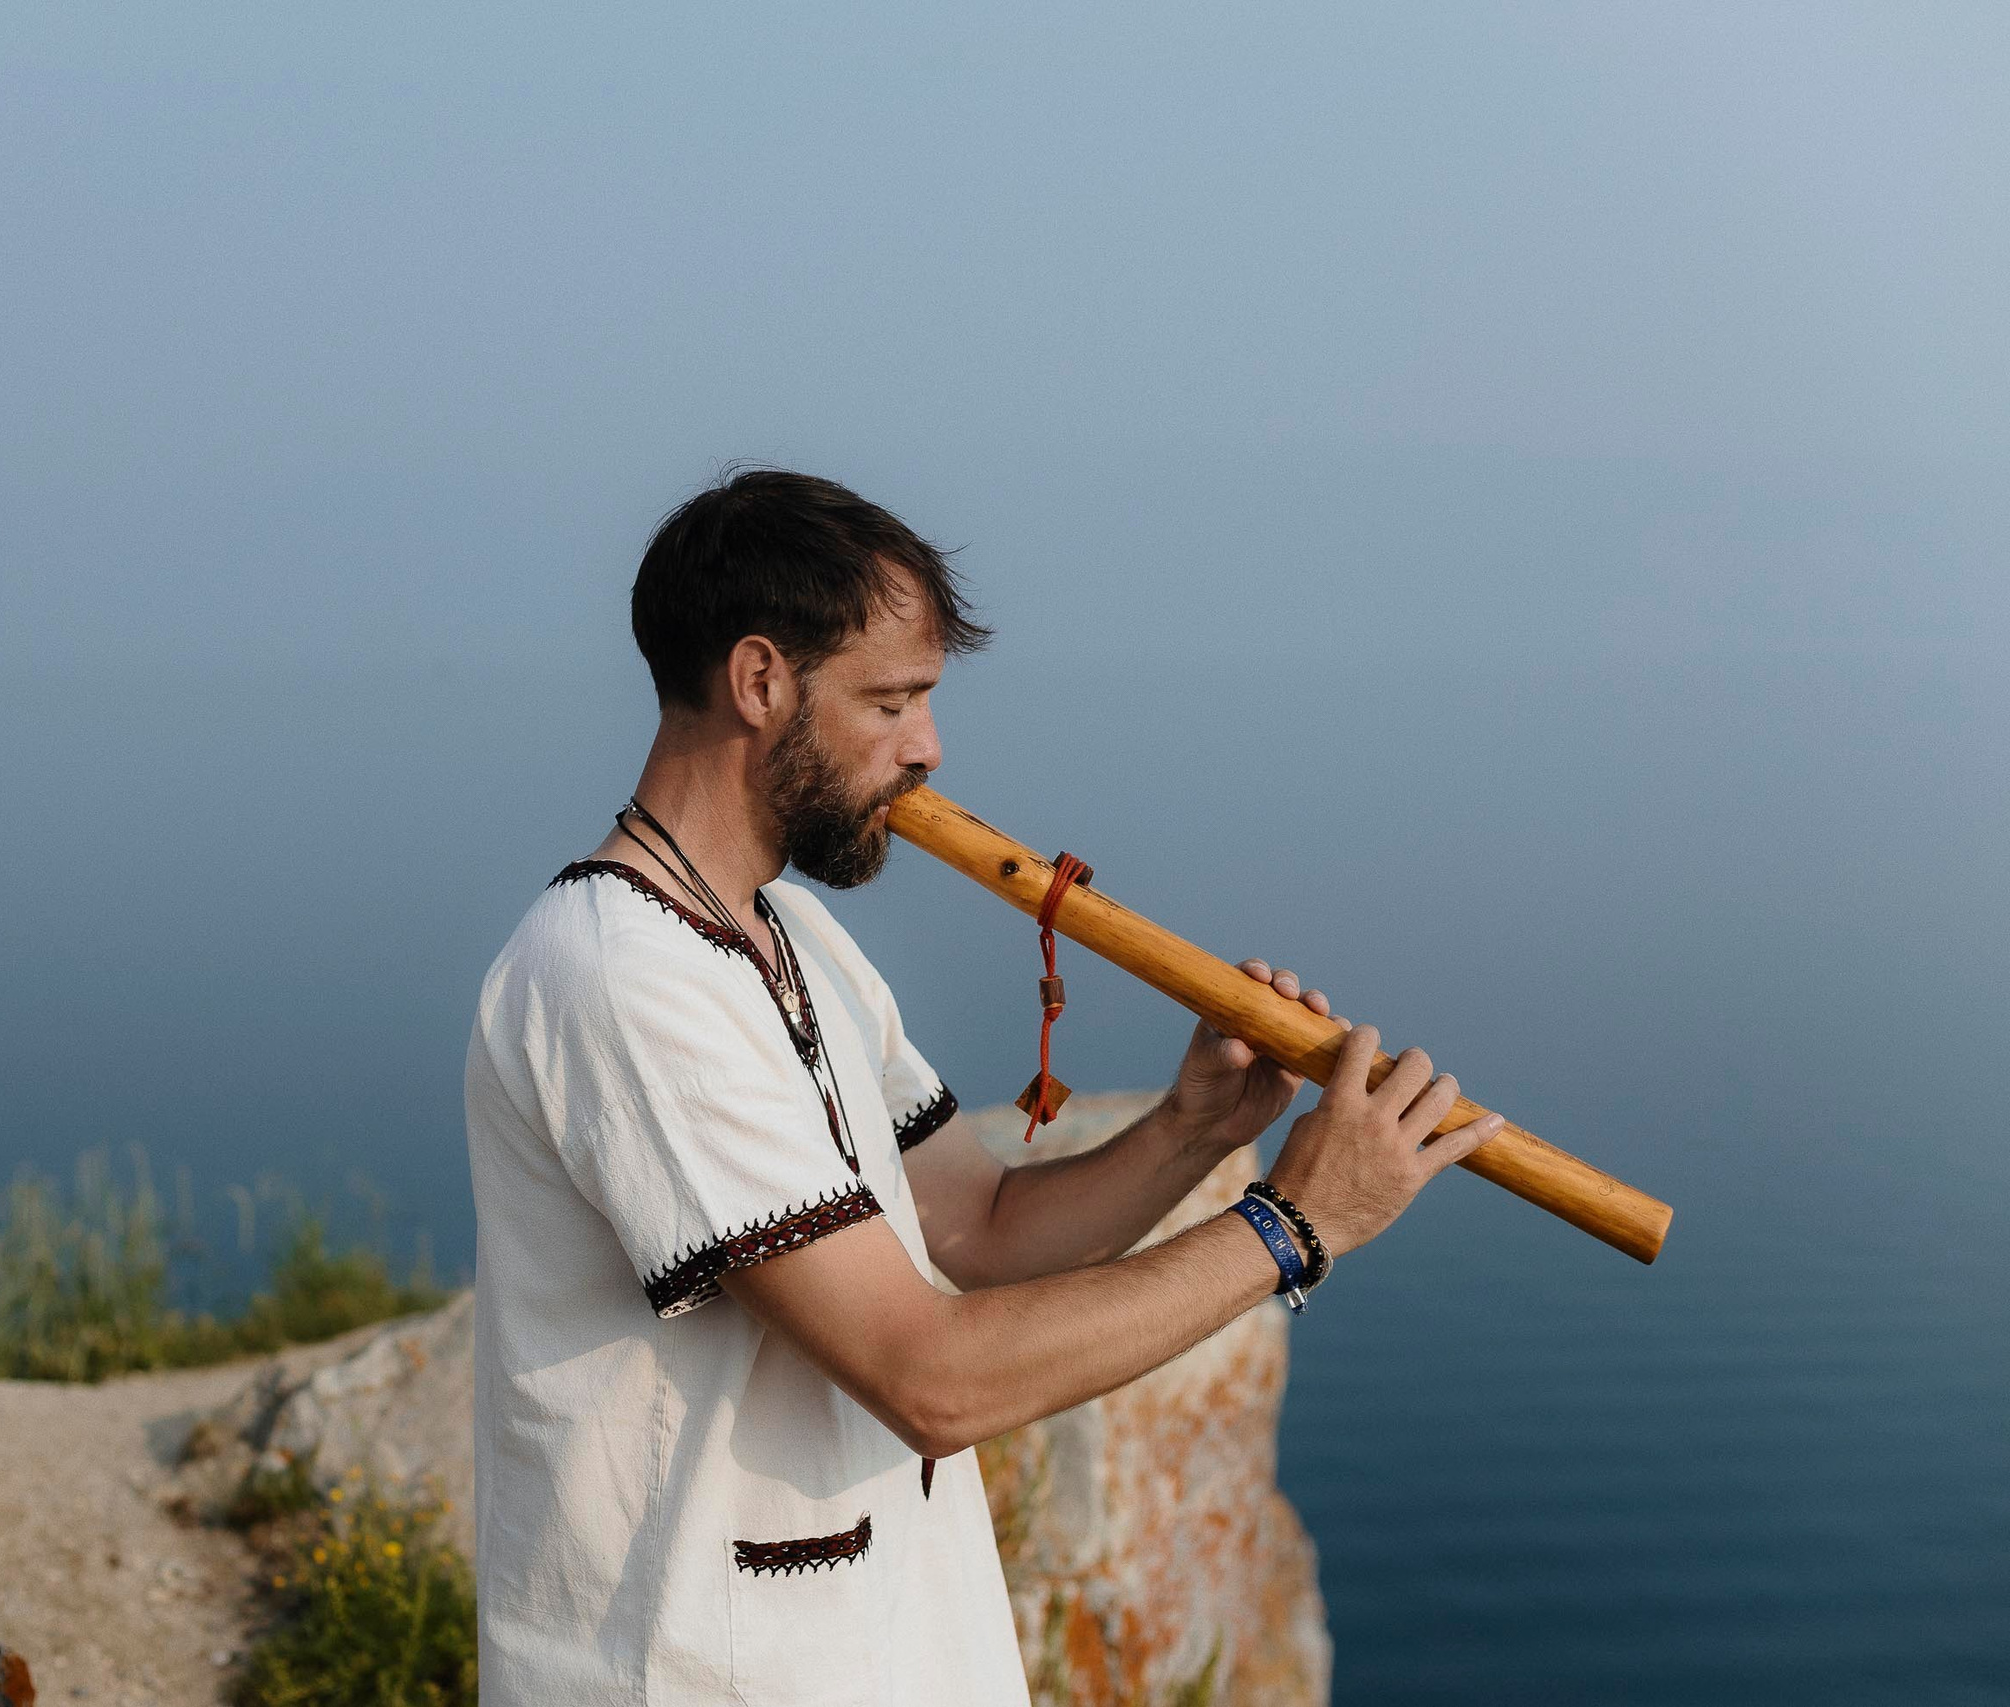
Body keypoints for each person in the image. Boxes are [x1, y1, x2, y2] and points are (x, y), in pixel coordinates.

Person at [463, 469, 1503, 1704]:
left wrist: (1194, 1129)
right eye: (892, 701)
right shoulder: (621, 979)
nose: (928, 749)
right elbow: (930, 1376)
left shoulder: (794, 939)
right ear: (759, 682)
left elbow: (981, 1231)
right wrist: (1290, 1226)